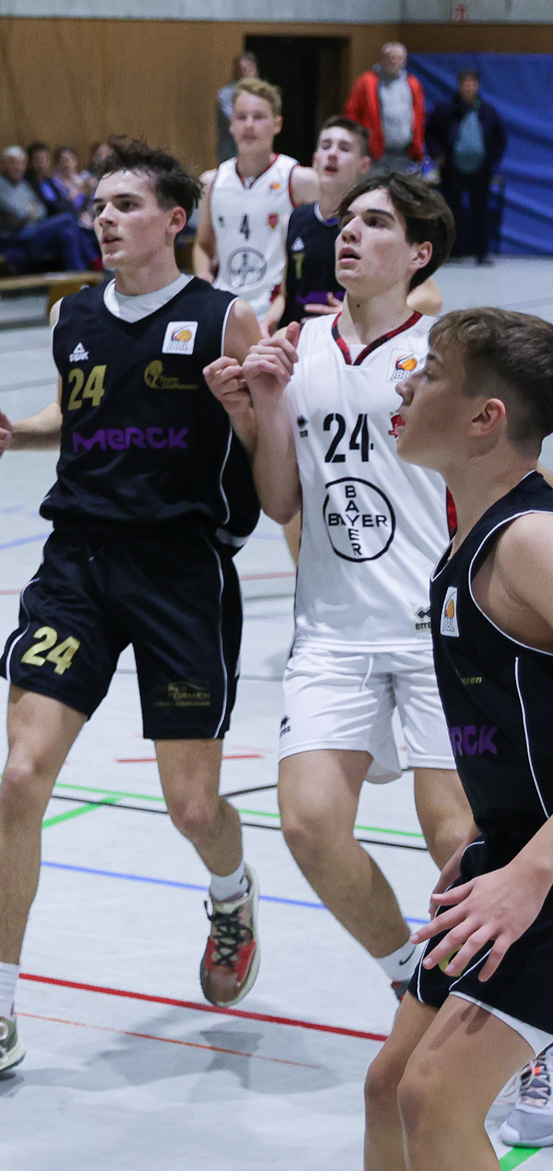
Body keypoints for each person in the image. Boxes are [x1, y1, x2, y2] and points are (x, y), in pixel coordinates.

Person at [0, 138, 265, 1107]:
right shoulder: (71, 315)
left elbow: (266, 441)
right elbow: (72, 414)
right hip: (76, 563)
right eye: (98, 205)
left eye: (125, 204)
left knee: (192, 807)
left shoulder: (225, 317)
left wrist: (247, 410)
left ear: (174, 220)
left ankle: (230, 893)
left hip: (181, 572)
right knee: (19, 775)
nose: (105, 218)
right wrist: (18, 431)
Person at [208, 170, 477, 1015]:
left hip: (434, 633)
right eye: (348, 220)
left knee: (459, 840)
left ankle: (514, 1020)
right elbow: (281, 500)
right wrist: (259, 408)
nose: (350, 233)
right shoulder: (297, 348)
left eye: (376, 222)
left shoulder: (447, 355)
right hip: (331, 632)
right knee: (308, 822)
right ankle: (412, 978)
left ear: (420, 253)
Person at [364, 307, 553, 1171]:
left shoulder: (530, 541)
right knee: (391, 1083)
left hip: (542, 869)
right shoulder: (468, 538)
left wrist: (532, 871)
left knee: (435, 1094)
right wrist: (491, 830)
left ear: (486, 418)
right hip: (512, 850)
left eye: (430, 372)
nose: (405, 384)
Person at [197, 77, 320, 329]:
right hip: (224, 306)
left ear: (277, 124)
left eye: (259, 117)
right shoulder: (211, 182)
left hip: (276, 309)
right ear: (231, 125)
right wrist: (203, 277)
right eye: (241, 117)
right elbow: (203, 244)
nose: (249, 125)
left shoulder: (299, 179)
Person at [278, 117, 375, 331]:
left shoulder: (373, 225)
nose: (332, 154)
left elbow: (429, 297)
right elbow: (285, 296)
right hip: (298, 339)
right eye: (326, 146)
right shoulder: (293, 221)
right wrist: (266, 322)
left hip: (348, 337)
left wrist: (356, 313)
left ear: (364, 165)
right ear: (315, 160)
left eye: (344, 148)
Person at [428, 68, 507, 267]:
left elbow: (500, 137)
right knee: (451, 211)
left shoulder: (488, 111)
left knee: (481, 211)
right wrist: (438, 154)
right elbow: (430, 133)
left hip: (481, 170)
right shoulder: (446, 109)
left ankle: (482, 253)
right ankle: (452, 252)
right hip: (452, 168)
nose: (468, 87)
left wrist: (492, 160)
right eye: (465, 83)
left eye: (472, 83)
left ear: (477, 86)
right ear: (459, 85)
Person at [0, 146, 94, 275]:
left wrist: (29, 213)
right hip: (13, 238)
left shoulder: (23, 185)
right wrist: (30, 211)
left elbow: (41, 210)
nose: (18, 167)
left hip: (33, 231)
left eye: (21, 163)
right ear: (4, 164)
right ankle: (94, 261)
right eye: (13, 163)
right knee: (68, 218)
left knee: (68, 234)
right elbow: (20, 214)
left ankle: (79, 280)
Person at [346, 42, 428, 172]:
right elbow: (352, 113)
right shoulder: (366, 81)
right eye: (390, 57)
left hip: (404, 153)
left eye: (398, 58)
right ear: (383, 58)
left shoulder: (413, 83)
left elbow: (420, 115)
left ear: (404, 61)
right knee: (374, 184)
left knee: (400, 185)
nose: (394, 61)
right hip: (374, 153)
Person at [216, 51, 259, 165]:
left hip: (256, 154)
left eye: (247, 70)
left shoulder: (262, 94)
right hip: (231, 153)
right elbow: (235, 120)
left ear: (255, 71)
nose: (243, 73)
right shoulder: (225, 94)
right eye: (239, 70)